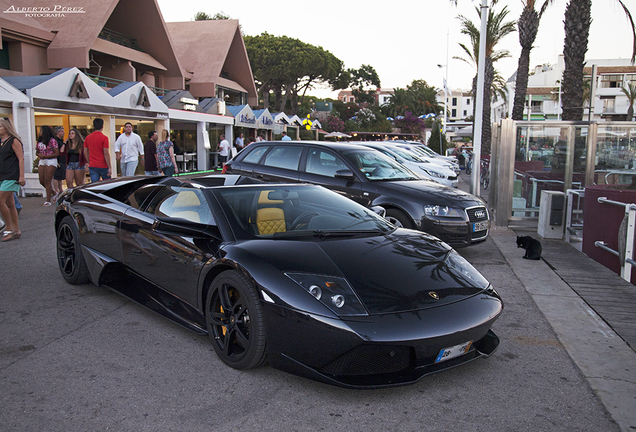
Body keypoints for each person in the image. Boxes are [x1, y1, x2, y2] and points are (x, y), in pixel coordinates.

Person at [0, 118, 25, 241]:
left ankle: (8, 229)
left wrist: (21, 176)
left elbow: (21, 158)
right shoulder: (1, 141)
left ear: (6, 127)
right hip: (2, 175)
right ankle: (16, 230)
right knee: (10, 203)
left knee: (0, 201)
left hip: (11, 175)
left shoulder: (14, 141)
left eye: (0, 126)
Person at [35, 125, 59, 206]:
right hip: (42, 160)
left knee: (47, 180)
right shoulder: (40, 141)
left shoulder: (52, 140)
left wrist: (46, 156)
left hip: (51, 160)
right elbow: (37, 151)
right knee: (41, 180)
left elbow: (56, 153)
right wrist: (39, 154)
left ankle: (48, 200)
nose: (40, 132)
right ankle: (54, 192)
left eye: (41, 131)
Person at [83, 117, 112, 183]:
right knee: (107, 184)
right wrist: (109, 166)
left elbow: (85, 151)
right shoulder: (104, 138)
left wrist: (89, 161)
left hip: (93, 165)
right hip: (103, 165)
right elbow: (106, 153)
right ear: (102, 126)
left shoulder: (88, 138)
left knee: (95, 185)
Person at [52, 126, 66, 199]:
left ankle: (60, 190)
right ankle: (56, 190)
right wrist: (55, 161)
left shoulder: (61, 140)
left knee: (60, 177)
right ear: (58, 132)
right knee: (56, 176)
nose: (63, 133)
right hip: (58, 160)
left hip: (63, 161)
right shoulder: (55, 140)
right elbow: (55, 151)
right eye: (62, 131)